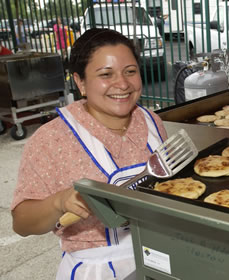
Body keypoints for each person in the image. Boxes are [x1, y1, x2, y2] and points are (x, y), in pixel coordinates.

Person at [11, 28, 167, 279]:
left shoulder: (151, 122)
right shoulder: (53, 138)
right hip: (99, 270)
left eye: (130, 71)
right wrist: (58, 202)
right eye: (106, 74)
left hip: (160, 257)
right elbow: (22, 223)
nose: (123, 84)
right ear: (80, 82)